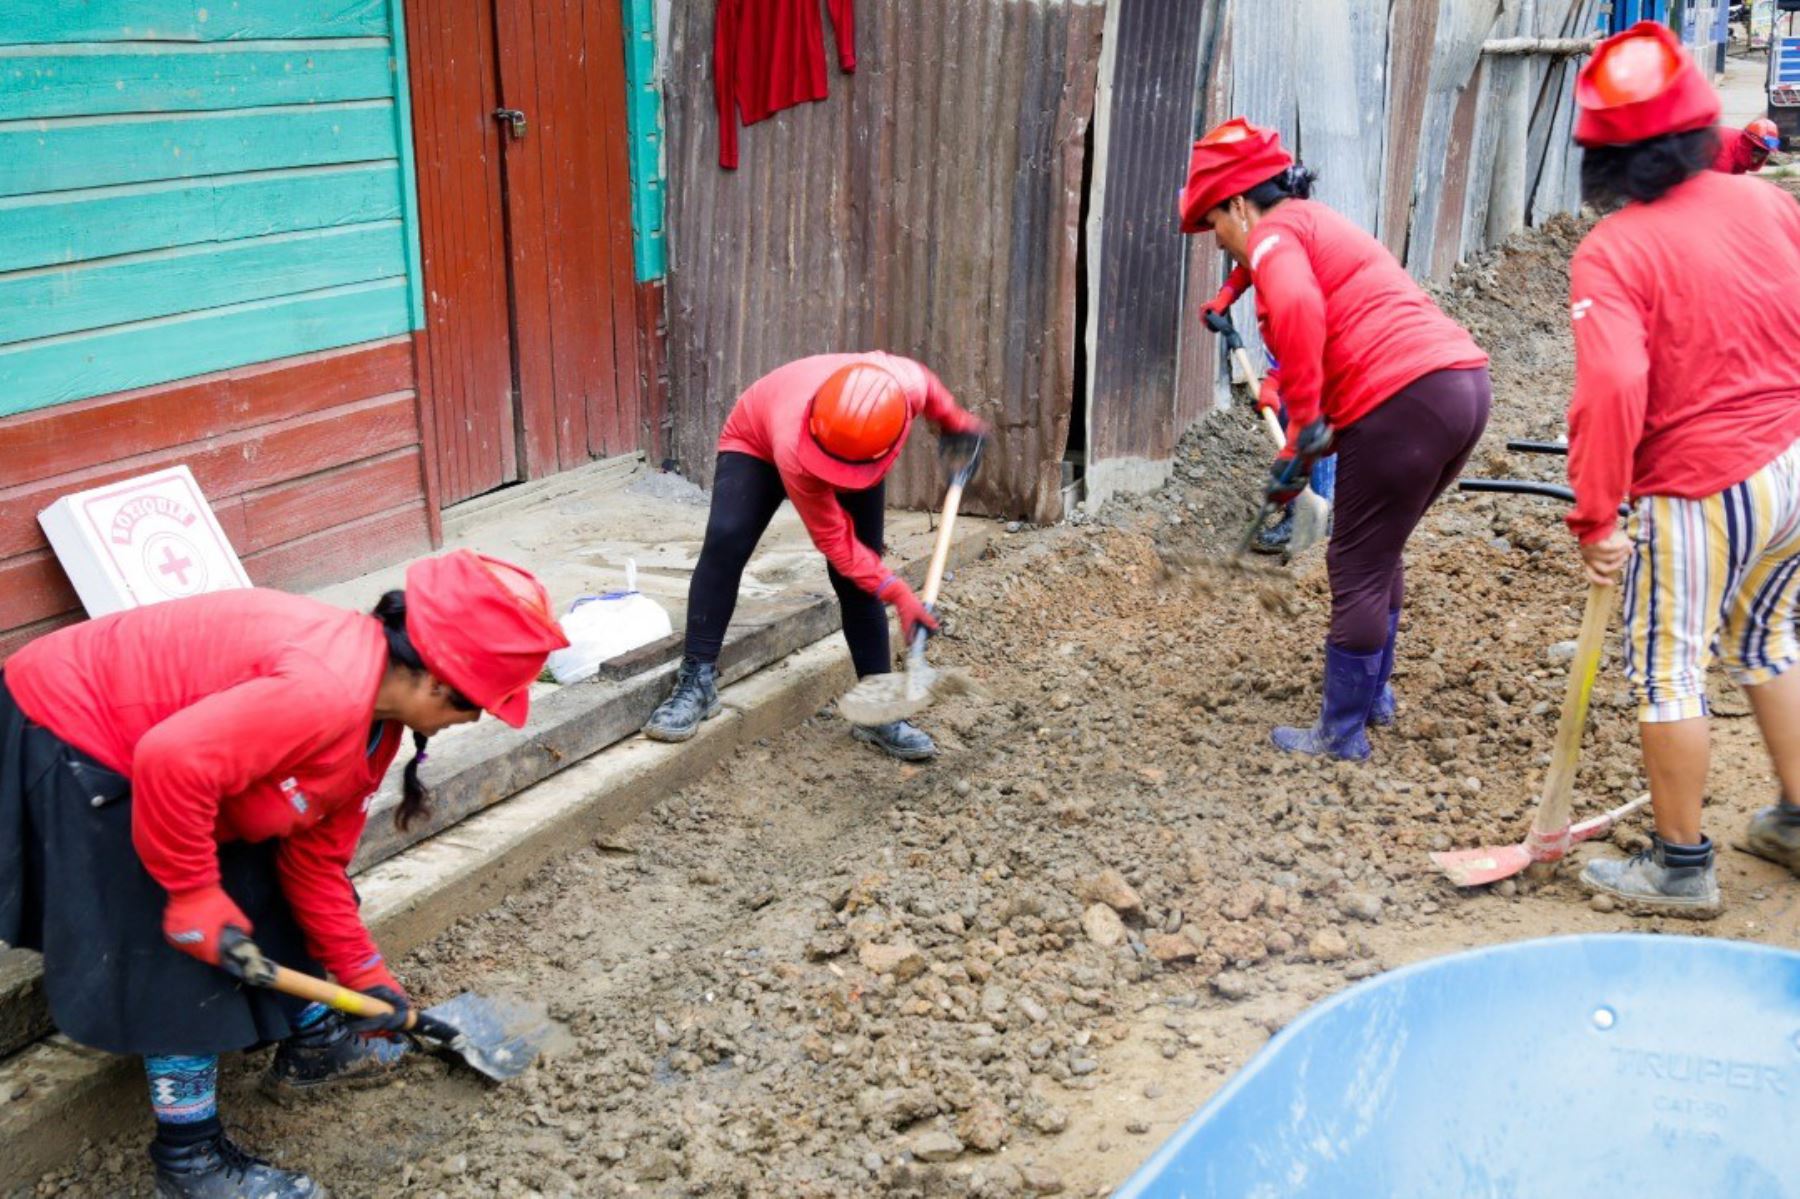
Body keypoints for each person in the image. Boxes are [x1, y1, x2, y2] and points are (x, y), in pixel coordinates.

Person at [0, 550, 568, 1196]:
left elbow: (314, 860)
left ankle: (315, 1040)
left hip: (166, 755)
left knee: (265, 860)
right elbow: (169, 761)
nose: (474, 721)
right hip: (68, 733)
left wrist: (365, 975)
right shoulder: (325, 691)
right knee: (177, 936)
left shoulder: (375, 725)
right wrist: (191, 893)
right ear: (438, 684)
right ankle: (190, 1161)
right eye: (476, 710)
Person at [1561, 22, 1800, 917]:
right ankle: (1795, 819)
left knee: (1669, 670)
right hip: (1791, 466)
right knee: (1768, 640)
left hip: (1699, 489)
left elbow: (1615, 386)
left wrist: (1596, 517)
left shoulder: (1616, 249)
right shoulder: (1769, 204)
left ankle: (1681, 864)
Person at [1179, 117, 1492, 761]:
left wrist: (1303, 432)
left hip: (1400, 399)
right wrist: (1227, 292)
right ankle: (1373, 697)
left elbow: (1296, 304)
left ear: (1239, 202)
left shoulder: (1271, 241)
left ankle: (1340, 733)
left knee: (1352, 564)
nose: (1220, 243)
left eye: (1216, 225)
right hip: (1459, 387)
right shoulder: (1302, 221)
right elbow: (1267, 267)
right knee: (1378, 552)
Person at [643, 354, 987, 761]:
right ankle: (696, 680)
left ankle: (878, 709)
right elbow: (837, 544)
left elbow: (930, 388)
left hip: (857, 447)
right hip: (757, 438)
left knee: (857, 580)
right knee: (727, 539)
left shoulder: (903, 385)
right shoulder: (794, 449)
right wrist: (899, 594)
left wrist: (955, 422)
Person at [1201, 270, 1337, 553]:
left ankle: (1316, 516)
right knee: (1290, 422)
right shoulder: (1261, 249)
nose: (1219, 246)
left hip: (1316, 354)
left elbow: (1304, 350)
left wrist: (1275, 382)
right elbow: (1246, 265)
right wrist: (1225, 296)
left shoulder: (1294, 280)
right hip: (1291, 350)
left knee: (1313, 428)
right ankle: (1304, 513)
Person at [1711, 116, 1781, 174]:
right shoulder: (1724, 159)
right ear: (1748, 144)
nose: (1757, 158)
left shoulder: (1739, 152)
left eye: (1764, 152)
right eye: (1757, 151)